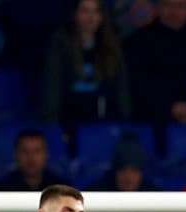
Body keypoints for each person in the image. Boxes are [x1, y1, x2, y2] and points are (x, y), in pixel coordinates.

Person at [41, 0, 132, 129]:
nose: (91, 17)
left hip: (105, 123)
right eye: (85, 11)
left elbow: (121, 89)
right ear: (74, 14)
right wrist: (53, 126)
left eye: (96, 11)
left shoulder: (112, 46)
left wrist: (123, 121)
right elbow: (52, 88)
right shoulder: (60, 44)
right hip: (68, 122)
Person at [0, 129, 69, 192]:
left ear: (46, 154)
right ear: (16, 154)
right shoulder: (3, 188)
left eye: (37, 151)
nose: (31, 157)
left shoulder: (61, 188)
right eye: (24, 151)